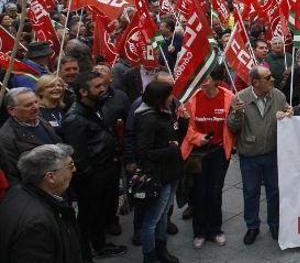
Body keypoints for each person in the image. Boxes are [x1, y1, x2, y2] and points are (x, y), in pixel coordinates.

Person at [62, 71, 127, 260]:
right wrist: (92, 176)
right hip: (92, 178)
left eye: (103, 85)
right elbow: (78, 156)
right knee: (89, 216)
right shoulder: (74, 119)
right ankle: (87, 251)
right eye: (97, 86)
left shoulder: (96, 106)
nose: (103, 89)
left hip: (105, 170)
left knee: (99, 214)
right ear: (83, 91)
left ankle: (99, 244)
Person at [227, 66, 288, 244]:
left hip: (272, 153)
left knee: (274, 191)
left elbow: (287, 112)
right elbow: (232, 126)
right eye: (268, 77)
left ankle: (274, 224)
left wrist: (287, 113)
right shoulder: (240, 98)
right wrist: (237, 113)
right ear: (255, 82)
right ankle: (252, 226)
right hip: (249, 155)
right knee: (251, 192)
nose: (273, 79)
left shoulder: (278, 96)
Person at [180, 66, 235, 249]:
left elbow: (234, 124)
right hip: (198, 153)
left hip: (219, 152)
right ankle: (199, 231)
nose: (203, 80)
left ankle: (215, 230)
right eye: (200, 76)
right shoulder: (193, 98)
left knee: (215, 191)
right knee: (199, 193)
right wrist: (198, 138)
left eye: (207, 77)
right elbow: (186, 127)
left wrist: (238, 114)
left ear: (216, 80)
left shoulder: (229, 97)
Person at [0, 144, 81, 262]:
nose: (74, 169)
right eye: (70, 165)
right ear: (51, 177)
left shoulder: (18, 192)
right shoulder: (36, 225)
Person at [134, 80, 183, 263]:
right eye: (170, 95)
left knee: (163, 215)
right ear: (160, 98)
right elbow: (144, 152)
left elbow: (172, 135)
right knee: (152, 220)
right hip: (159, 175)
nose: (173, 98)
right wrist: (170, 150)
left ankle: (162, 249)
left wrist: (182, 122)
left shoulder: (165, 113)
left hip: (171, 172)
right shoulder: (148, 119)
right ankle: (150, 255)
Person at [0, 88, 62, 182]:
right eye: (28, 105)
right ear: (11, 110)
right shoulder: (7, 137)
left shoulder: (40, 119)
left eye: (36, 102)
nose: (36, 107)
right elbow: (13, 174)